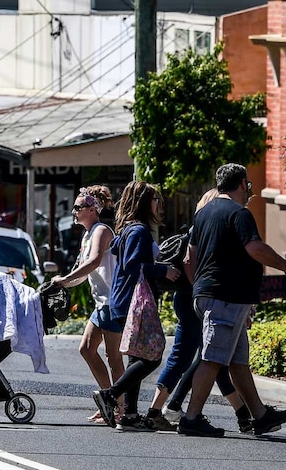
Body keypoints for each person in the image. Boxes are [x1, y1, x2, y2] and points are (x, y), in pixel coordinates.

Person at [179, 163, 286, 437]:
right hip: (226, 297)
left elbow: (190, 257)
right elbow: (255, 247)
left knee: (237, 361)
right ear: (241, 183)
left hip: (211, 296)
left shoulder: (203, 214)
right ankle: (191, 418)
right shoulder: (239, 213)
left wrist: (198, 286)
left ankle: (259, 416)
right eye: (248, 185)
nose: (249, 190)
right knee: (212, 359)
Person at [143, 188, 250, 432]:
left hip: (194, 298)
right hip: (196, 300)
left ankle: (243, 414)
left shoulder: (204, 228)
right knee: (187, 356)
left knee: (211, 358)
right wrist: (201, 293)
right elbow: (192, 264)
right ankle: (155, 410)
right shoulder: (203, 230)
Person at [92, 181, 180, 431]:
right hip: (134, 301)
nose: (158, 205)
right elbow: (132, 265)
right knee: (152, 355)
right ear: (144, 203)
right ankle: (111, 395)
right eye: (155, 200)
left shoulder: (128, 229)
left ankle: (129, 415)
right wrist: (164, 271)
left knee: (137, 356)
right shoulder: (139, 231)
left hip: (124, 300)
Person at [40, 185, 124, 424]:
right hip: (101, 304)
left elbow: (96, 261)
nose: (74, 211)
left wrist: (65, 279)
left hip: (111, 301)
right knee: (86, 349)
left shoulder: (100, 230)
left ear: (92, 210)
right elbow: (83, 273)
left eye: (78, 207)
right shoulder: (88, 234)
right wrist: (63, 284)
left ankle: (120, 407)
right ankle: (110, 400)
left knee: (113, 358)